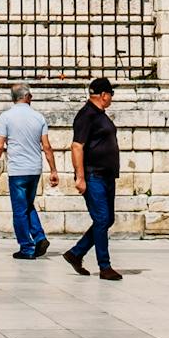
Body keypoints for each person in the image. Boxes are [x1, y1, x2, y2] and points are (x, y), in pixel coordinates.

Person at [0, 85, 58, 259]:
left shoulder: (6, 117)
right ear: (28, 97)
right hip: (34, 169)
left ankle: (27, 248)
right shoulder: (39, 117)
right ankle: (39, 237)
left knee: (19, 210)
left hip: (18, 170)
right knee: (28, 206)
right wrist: (53, 170)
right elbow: (47, 146)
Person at [65, 78, 123, 281]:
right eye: (111, 95)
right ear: (104, 95)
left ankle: (76, 253)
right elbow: (77, 146)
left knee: (107, 219)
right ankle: (104, 266)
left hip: (106, 175)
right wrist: (80, 177)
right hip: (93, 175)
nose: (111, 99)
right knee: (101, 219)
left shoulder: (99, 115)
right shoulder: (86, 115)